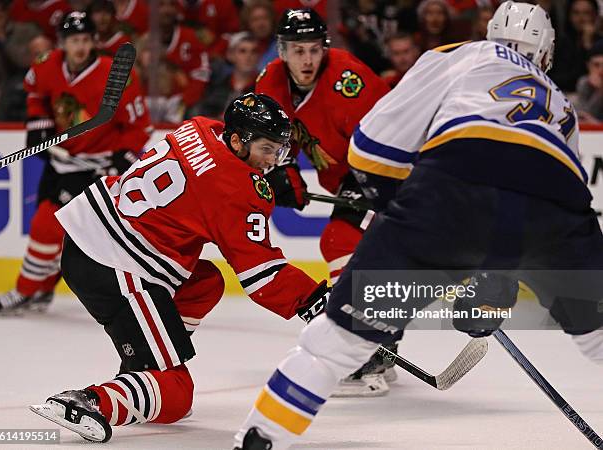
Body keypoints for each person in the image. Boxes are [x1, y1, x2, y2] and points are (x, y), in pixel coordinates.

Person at [234, 2, 603, 449]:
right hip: (557, 207)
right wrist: (496, 276)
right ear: (546, 53)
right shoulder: (561, 105)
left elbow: (373, 144)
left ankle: (259, 439)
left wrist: (398, 215)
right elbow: (551, 195)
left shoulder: (462, 54)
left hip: (452, 185)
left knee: (330, 346)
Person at [28, 93, 332, 443]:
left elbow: (209, 179)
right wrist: (313, 300)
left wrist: (264, 177)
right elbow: (262, 274)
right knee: (176, 394)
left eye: (279, 151)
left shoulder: (200, 127)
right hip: (118, 263)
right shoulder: (238, 191)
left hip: (92, 233)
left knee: (205, 282)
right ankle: (93, 401)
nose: (273, 160)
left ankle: (146, 363)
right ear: (238, 140)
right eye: (268, 149)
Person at [255, 8, 394, 397]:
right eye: (298, 51)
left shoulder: (347, 79)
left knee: (338, 240)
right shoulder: (271, 82)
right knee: (362, 252)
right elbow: (273, 138)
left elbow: (388, 136)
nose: (307, 60)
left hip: (382, 168)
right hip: (345, 175)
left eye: (314, 50)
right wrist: (285, 173)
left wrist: (381, 188)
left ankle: (359, 343)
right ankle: (378, 342)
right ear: (282, 51)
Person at [0, 12, 151, 314]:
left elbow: (139, 126)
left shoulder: (115, 75)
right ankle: (42, 290)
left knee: (46, 224)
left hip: (94, 167)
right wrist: (38, 121)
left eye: (85, 40)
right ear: (62, 43)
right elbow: (36, 94)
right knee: (55, 230)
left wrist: (121, 159)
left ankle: (25, 291)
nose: (80, 47)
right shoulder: (46, 64)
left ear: (94, 42)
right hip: (59, 160)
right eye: (74, 40)